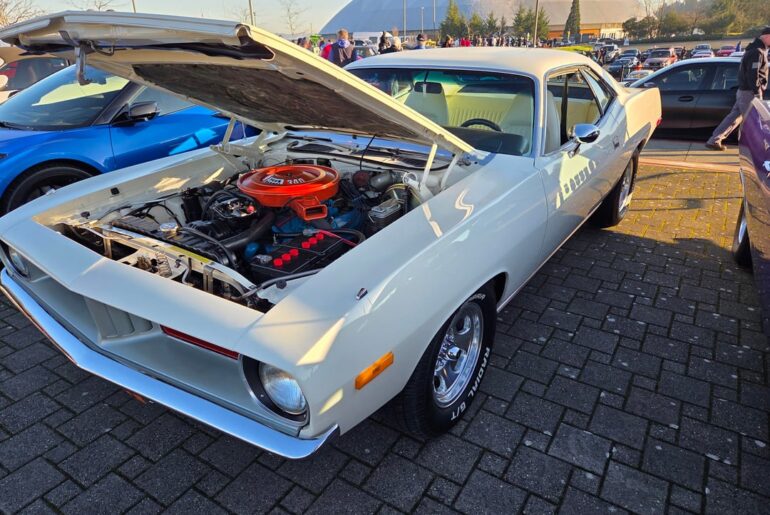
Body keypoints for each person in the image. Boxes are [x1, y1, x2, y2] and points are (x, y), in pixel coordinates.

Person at [706, 27, 770, 150]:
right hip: (750, 92)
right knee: (755, 121)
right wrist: (757, 93)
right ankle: (760, 148)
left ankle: (714, 140)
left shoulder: (755, 50)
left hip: (745, 91)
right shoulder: (757, 52)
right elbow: (753, 74)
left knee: (734, 118)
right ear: (768, 37)